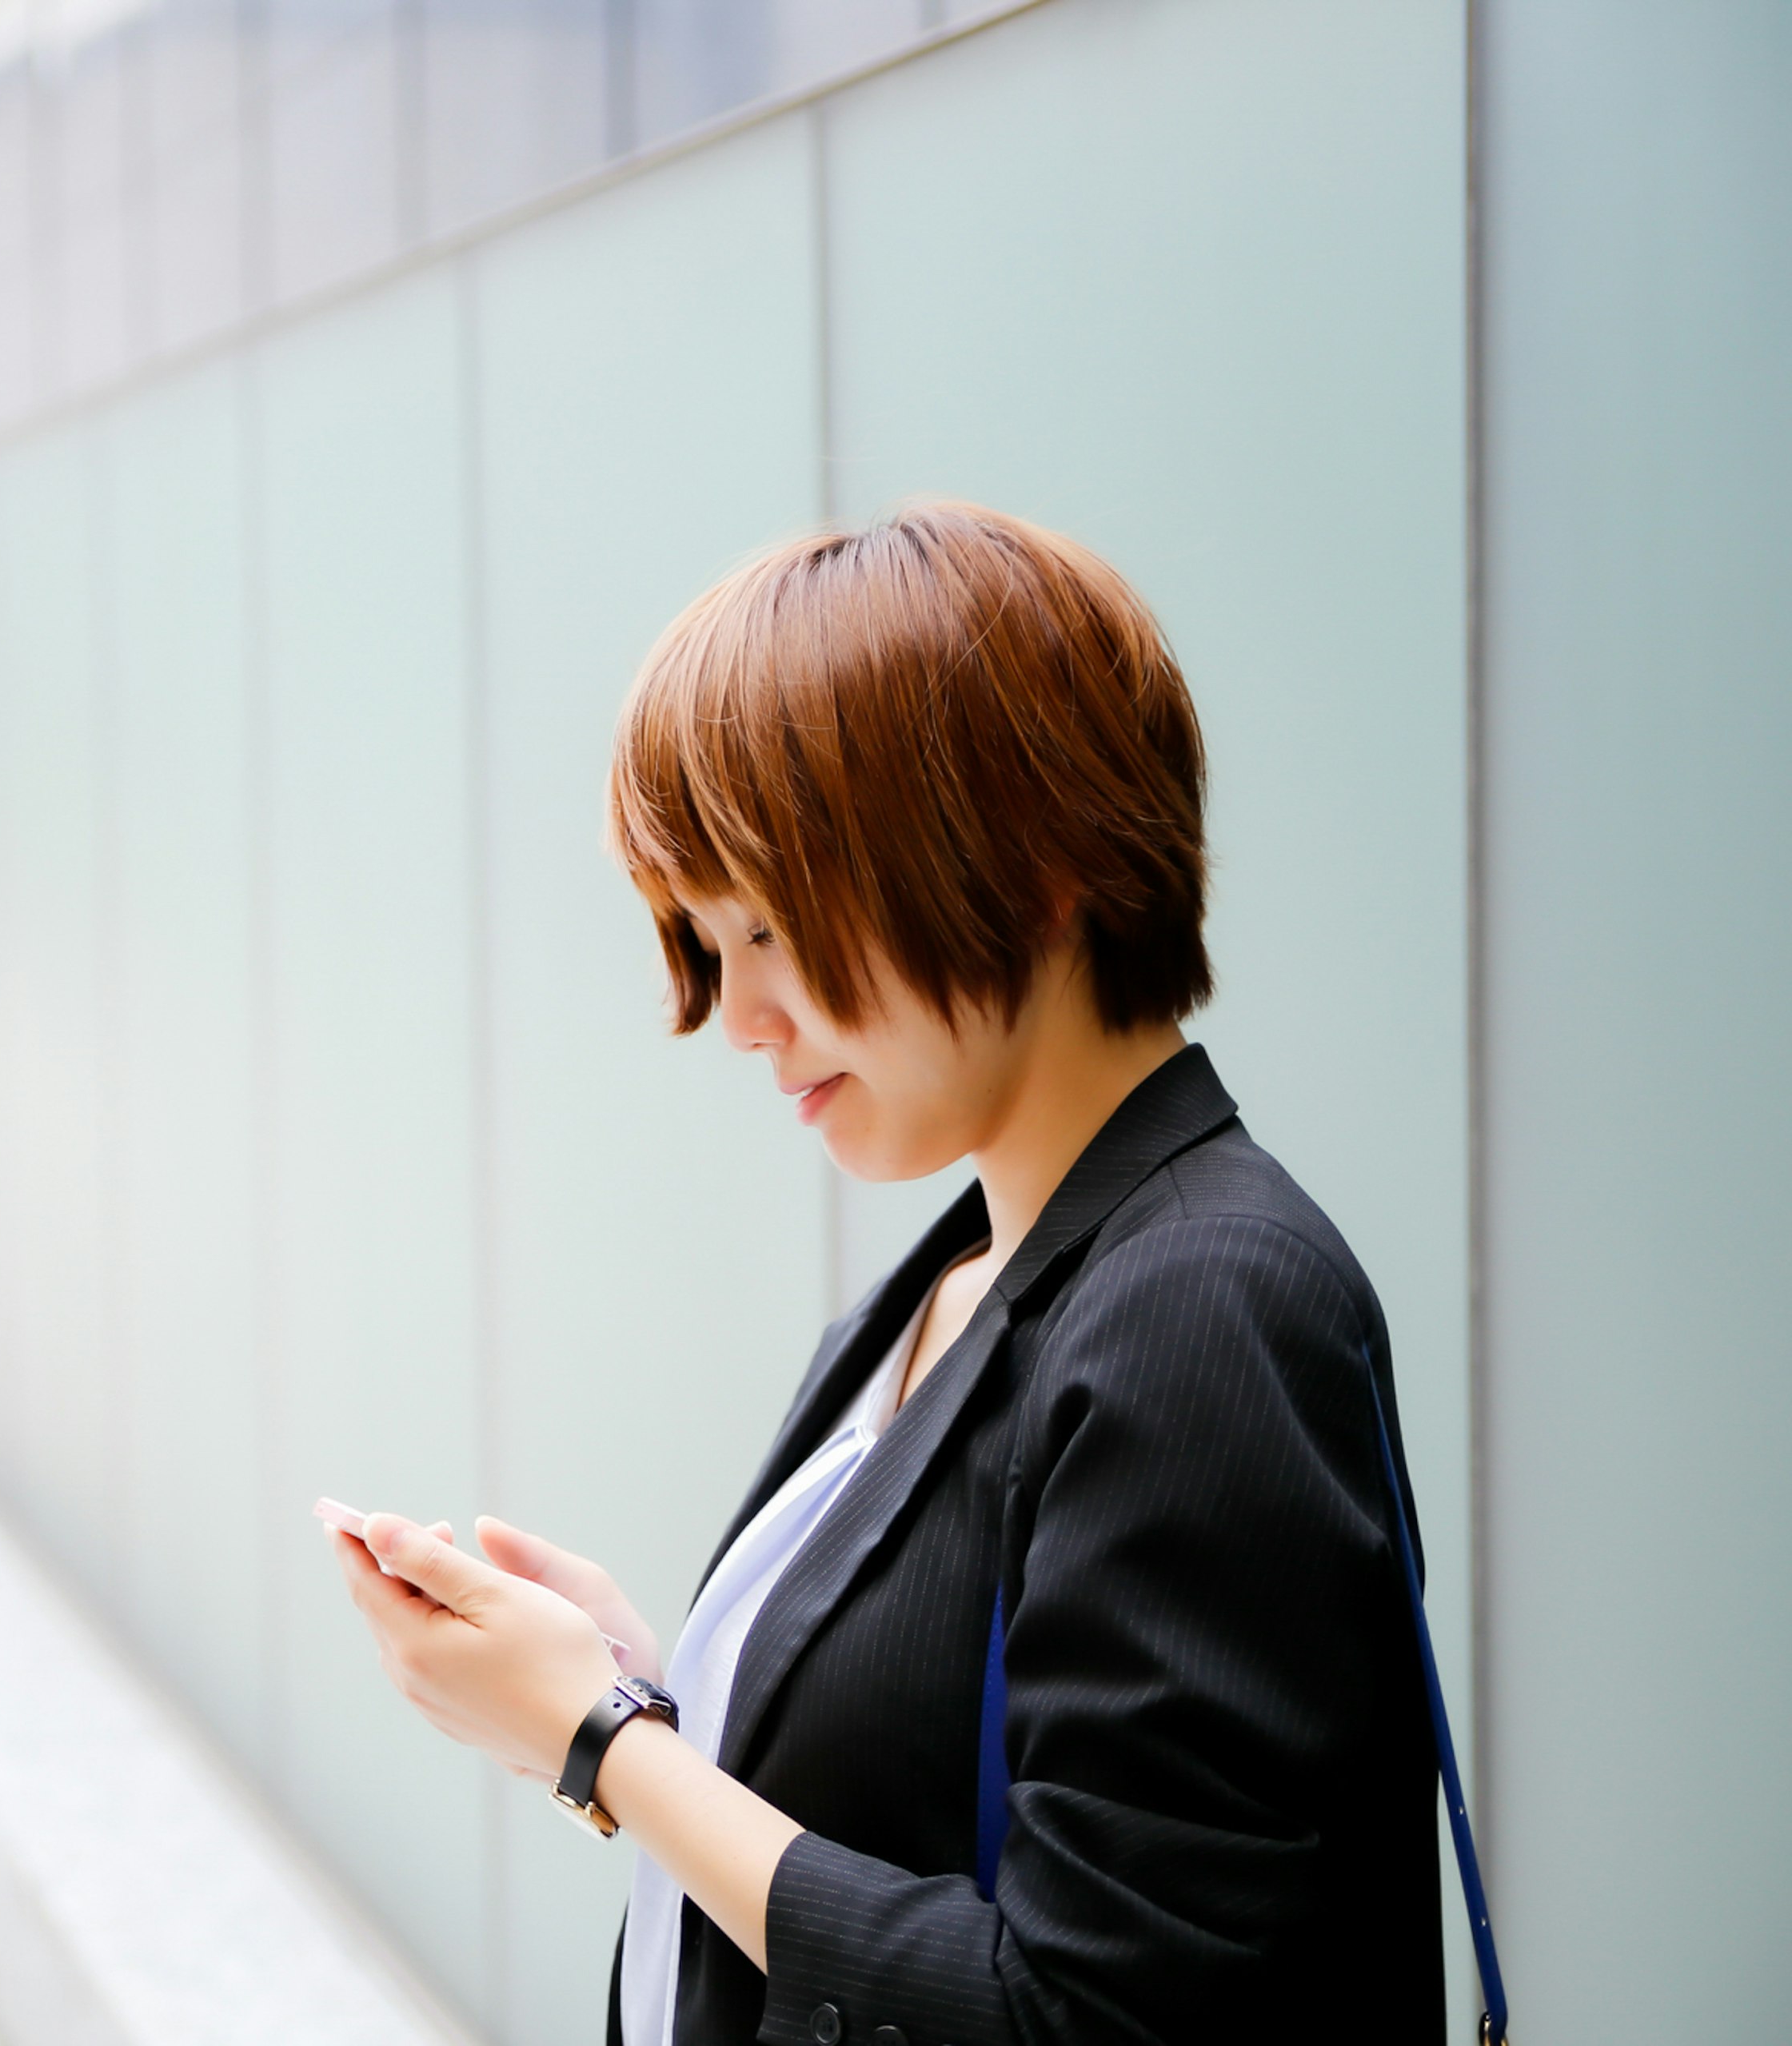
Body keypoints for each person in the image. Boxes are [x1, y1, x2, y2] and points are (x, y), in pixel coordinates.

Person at [328, 503, 1445, 2046]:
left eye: (772, 925)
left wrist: (604, 1747)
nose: (739, 1015)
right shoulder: (953, 1279)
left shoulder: (1206, 1301)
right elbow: (924, 1793)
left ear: (1039, 859)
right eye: (708, 941)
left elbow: (1102, 2014)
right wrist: (658, 1690)